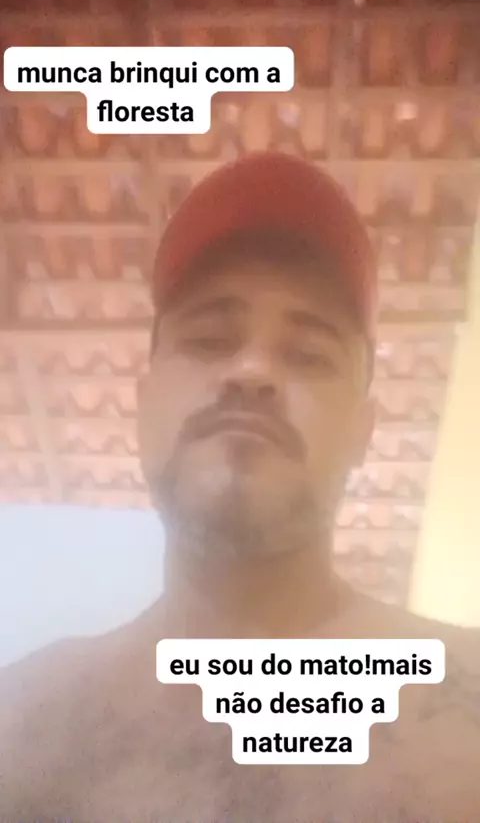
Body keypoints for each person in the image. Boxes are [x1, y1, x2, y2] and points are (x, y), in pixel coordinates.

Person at [1, 152, 479, 823]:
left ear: (363, 431)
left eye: (308, 354)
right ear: (143, 404)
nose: (252, 370)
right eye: (209, 339)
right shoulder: (21, 724)